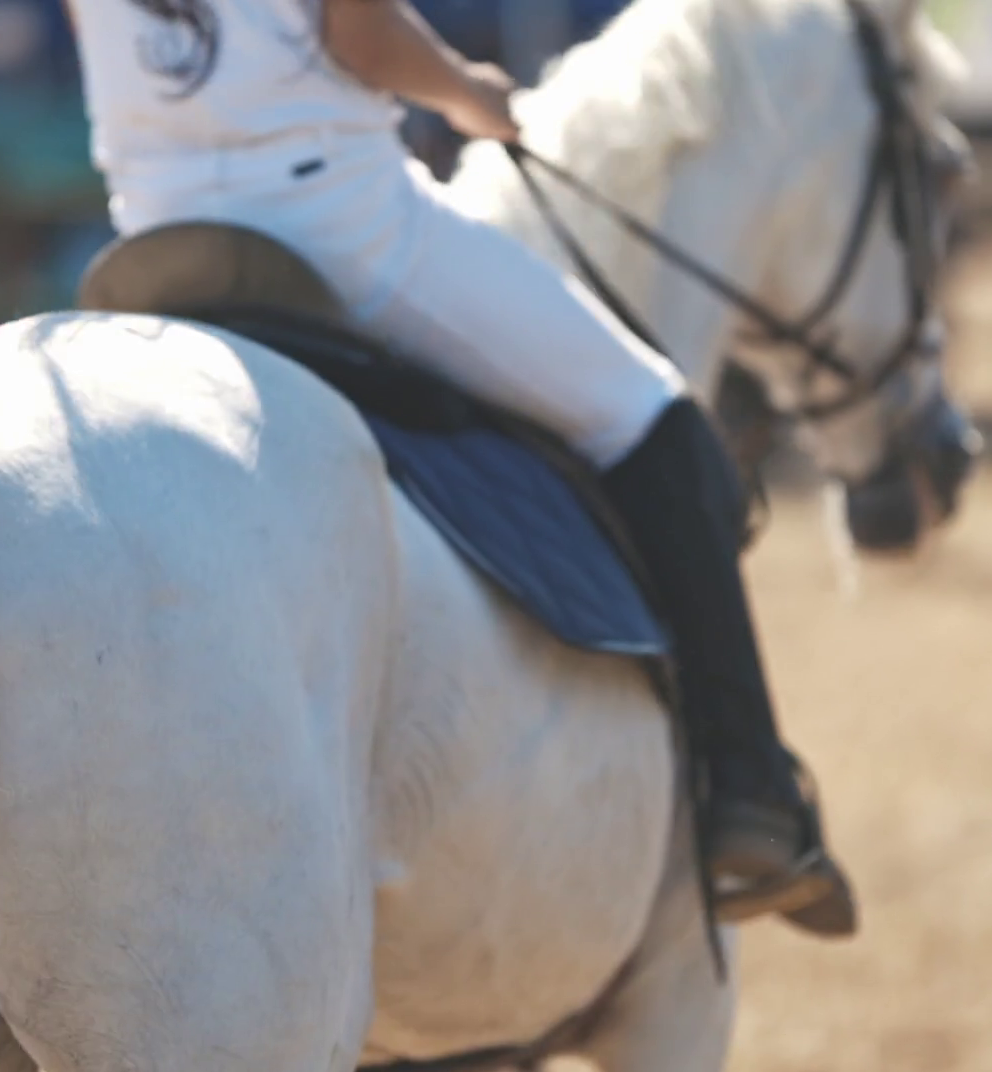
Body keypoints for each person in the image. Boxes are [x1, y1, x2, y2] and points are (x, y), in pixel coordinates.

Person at [61, 0, 852, 930]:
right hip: (337, 223)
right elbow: (360, 38)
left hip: (154, 234)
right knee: (655, 416)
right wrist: (468, 92)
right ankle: (752, 792)